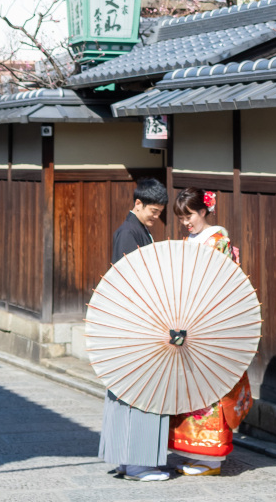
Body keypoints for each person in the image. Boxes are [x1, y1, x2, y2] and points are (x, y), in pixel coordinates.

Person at [167, 186, 253, 477]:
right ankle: (191, 451)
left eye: (189, 215)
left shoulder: (218, 241)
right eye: (181, 217)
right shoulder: (190, 240)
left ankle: (211, 458)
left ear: (204, 211)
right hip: (188, 323)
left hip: (210, 325)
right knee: (189, 388)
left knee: (211, 390)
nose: (186, 222)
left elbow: (223, 286)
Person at [98, 177, 172, 482]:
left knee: (131, 392)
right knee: (145, 391)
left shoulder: (136, 230)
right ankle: (138, 462)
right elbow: (131, 282)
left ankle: (127, 460)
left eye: (159, 212)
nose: (156, 217)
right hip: (137, 324)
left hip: (135, 322)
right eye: (153, 211)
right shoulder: (129, 233)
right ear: (137, 204)